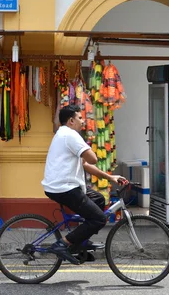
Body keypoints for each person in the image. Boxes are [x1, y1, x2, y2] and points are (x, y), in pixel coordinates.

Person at [42, 104, 127, 265]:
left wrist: (110, 178)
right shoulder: (70, 135)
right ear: (71, 120)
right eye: (80, 118)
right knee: (99, 219)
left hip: (64, 185)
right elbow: (92, 159)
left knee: (99, 200)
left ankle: (80, 242)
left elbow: (86, 165)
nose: (83, 121)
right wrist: (89, 143)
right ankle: (63, 244)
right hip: (63, 188)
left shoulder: (64, 134)